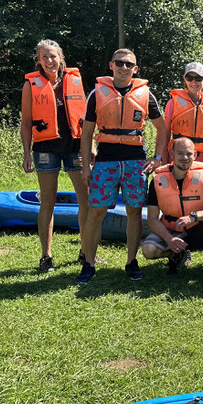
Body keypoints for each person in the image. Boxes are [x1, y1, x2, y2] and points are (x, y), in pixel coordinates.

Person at [78, 48, 167, 283]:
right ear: (111, 65)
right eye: (120, 63)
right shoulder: (96, 94)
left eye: (129, 64)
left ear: (135, 69)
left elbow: (162, 128)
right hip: (106, 160)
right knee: (95, 212)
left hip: (135, 160)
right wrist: (86, 166)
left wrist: (157, 158)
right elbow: (86, 133)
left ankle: (131, 261)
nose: (124, 67)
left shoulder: (146, 94)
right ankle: (88, 263)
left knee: (134, 212)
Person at [20, 39, 88, 273]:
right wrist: (26, 153)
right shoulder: (31, 84)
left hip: (75, 147)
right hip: (45, 149)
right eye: (44, 57)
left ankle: (86, 251)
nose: (49, 61)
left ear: (61, 58)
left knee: (85, 199)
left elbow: (87, 118)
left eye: (53, 56)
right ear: (38, 60)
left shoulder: (75, 80)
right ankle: (46, 256)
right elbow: (27, 122)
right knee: (47, 200)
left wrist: (90, 146)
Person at [141, 137, 203, 285]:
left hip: (198, 228)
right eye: (180, 153)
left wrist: (194, 217)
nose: (185, 158)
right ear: (171, 154)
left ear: (195, 155)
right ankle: (176, 254)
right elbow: (152, 218)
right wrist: (169, 239)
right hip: (173, 231)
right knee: (148, 250)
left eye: (189, 154)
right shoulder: (158, 180)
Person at [163, 62, 203, 163]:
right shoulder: (173, 103)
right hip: (177, 158)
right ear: (184, 79)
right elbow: (164, 135)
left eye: (198, 78)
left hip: (200, 159)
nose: (194, 82)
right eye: (190, 78)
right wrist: (163, 161)